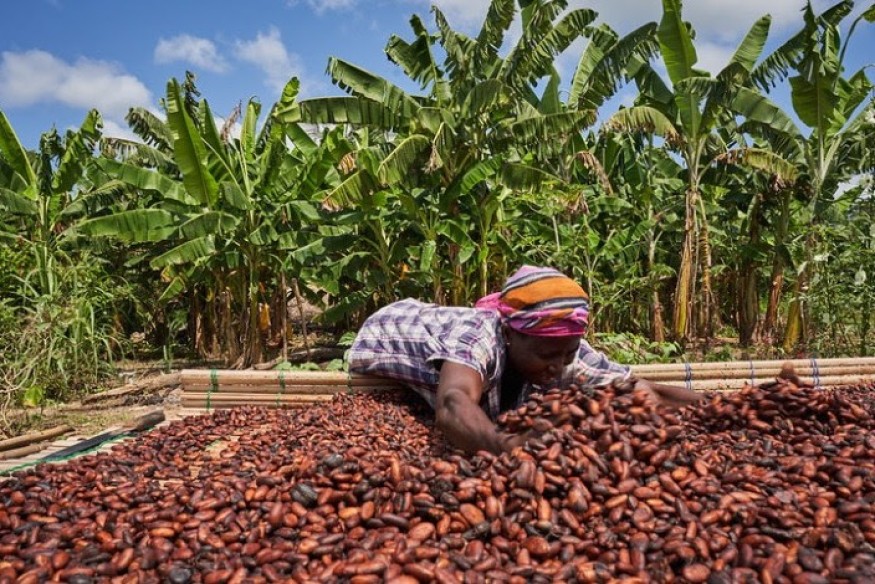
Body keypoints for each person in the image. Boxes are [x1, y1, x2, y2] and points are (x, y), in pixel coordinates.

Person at [347, 265, 703, 454]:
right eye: (548, 354)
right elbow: (453, 405)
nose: (559, 365)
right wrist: (505, 447)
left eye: (568, 353)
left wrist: (724, 406)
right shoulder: (479, 335)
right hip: (388, 330)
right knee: (475, 401)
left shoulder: (562, 350)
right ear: (509, 333)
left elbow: (637, 389)